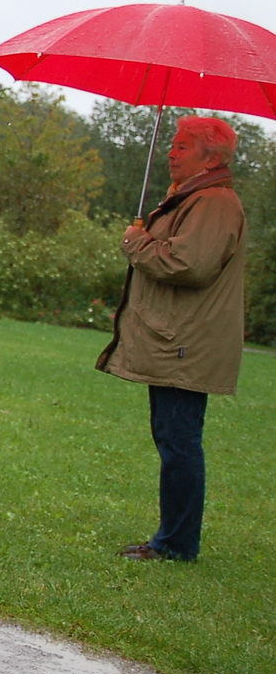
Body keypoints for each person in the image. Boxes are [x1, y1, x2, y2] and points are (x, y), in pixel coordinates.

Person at [98, 116, 246, 562]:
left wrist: (136, 244)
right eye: (173, 145)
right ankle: (173, 539)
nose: (170, 152)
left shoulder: (215, 202)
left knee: (179, 440)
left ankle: (176, 545)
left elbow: (190, 266)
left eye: (182, 147)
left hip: (187, 343)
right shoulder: (189, 198)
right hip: (179, 339)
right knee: (173, 437)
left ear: (211, 158)